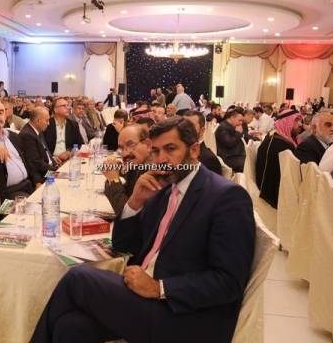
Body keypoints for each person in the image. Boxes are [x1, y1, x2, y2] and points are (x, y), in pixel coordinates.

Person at [30, 117, 255, 343]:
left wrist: (160, 288)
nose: (161, 159)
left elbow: (229, 282)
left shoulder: (226, 197)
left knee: (78, 278)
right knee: (70, 326)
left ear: (194, 150)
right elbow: (124, 245)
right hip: (146, 298)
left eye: (170, 149)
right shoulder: (164, 189)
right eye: (155, 151)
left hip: (186, 316)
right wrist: (134, 202)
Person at [0, 100, 36, 200]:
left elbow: (28, 161)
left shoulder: (13, 135)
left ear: (5, 116)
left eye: (1, 112)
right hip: (8, 193)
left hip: (28, 185)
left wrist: (37, 181)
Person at [256, 109, 303, 208]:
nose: (300, 124)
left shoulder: (275, 136)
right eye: (296, 120)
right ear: (286, 122)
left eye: (300, 121)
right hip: (274, 198)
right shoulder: (281, 145)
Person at [102, 125, 150, 215]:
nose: (125, 153)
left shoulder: (154, 172)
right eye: (121, 148)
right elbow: (127, 195)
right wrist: (117, 173)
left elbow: (127, 214)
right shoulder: (136, 165)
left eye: (130, 144)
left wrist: (114, 180)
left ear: (148, 144)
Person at [20, 107, 58, 185]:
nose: (48, 123)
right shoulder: (27, 135)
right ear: (38, 121)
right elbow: (35, 162)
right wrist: (55, 169)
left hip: (48, 169)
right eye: (47, 120)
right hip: (43, 175)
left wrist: (56, 164)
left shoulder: (38, 129)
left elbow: (47, 152)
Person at [44, 98, 84, 162]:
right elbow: (42, 147)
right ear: (55, 109)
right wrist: (52, 158)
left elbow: (80, 143)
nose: (68, 108)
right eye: (64, 106)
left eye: (68, 105)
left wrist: (69, 151)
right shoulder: (47, 124)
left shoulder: (73, 124)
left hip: (69, 160)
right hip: (51, 161)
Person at [183, 110, 223, 176]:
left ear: (202, 131)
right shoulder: (178, 150)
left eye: (191, 126)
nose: (185, 129)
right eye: (183, 126)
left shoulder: (209, 159)